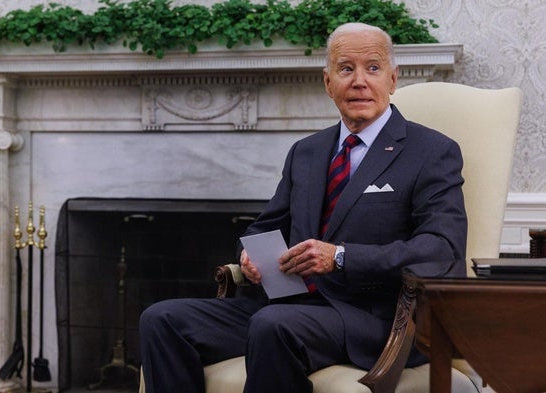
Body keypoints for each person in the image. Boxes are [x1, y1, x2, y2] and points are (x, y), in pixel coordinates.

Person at [139, 22, 467, 393]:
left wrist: (340, 257)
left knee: (274, 324)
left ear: (393, 79)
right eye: (346, 69)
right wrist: (250, 257)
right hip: (293, 307)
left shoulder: (432, 151)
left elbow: (442, 252)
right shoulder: (307, 152)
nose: (359, 80)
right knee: (162, 318)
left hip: (377, 319)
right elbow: (263, 229)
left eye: (372, 68)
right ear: (328, 83)